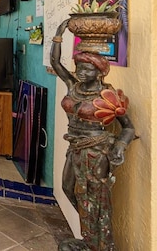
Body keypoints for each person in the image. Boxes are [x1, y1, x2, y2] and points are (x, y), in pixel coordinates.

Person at [51, 19, 135, 251]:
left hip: (96, 151)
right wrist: (59, 35)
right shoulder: (72, 86)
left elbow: (128, 127)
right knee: (69, 189)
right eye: (79, 67)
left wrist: (120, 146)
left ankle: (97, 243)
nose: (80, 72)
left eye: (87, 69)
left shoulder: (108, 96)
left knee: (95, 199)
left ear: (98, 72)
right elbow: (55, 62)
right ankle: (91, 237)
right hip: (75, 147)